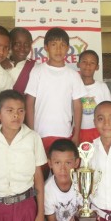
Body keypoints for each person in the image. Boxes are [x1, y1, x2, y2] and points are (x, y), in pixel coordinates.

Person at [0, 89, 47, 221]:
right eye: (9, 110)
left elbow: (38, 177)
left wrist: (40, 214)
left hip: (26, 207)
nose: (16, 115)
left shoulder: (33, 138)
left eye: (21, 110)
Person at [25, 27, 87, 173]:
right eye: (54, 45)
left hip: (64, 134)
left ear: (68, 48)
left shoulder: (73, 75)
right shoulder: (38, 71)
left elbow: (78, 106)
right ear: (46, 47)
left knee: (62, 174)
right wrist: (32, 133)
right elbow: (29, 103)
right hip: (40, 134)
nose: (58, 49)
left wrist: (76, 134)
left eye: (62, 45)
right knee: (40, 174)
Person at [44, 139, 82, 221]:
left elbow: (83, 215)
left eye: (68, 163)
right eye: (57, 163)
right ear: (50, 163)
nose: (63, 169)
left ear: (76, 163)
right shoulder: (47, 190)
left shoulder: (81, 183)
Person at [77, 50, 111, 143]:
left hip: (98, 131)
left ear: (97, 67)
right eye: (84, 62)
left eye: (92, 63)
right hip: (77, 132)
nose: (88, 65)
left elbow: (109, 110)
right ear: (78, 64)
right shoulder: (73, 86)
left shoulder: (102, 87)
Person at [0, 27, 36, 95]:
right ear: (10, 44)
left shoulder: (35, 67)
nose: (22, 48)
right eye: (17, 44)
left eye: (26, 44)